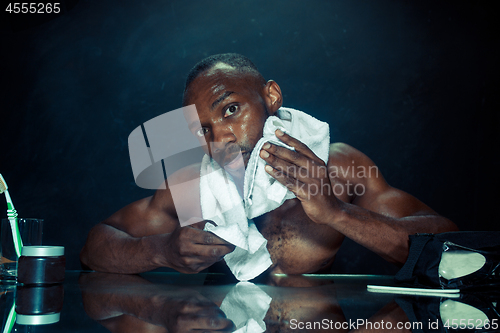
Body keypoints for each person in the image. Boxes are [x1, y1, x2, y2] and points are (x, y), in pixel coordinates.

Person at [80, 53, 458, 276]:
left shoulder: (336, 165)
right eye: (202, 129)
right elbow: (96, 245)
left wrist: (336, 212)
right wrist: (159, 251)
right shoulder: (193, 184)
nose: (221, 138)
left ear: (271, 97)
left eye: (231, 110)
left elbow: (450, 245)